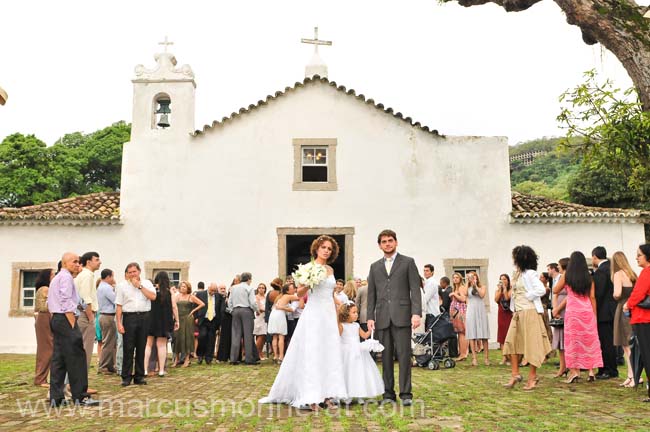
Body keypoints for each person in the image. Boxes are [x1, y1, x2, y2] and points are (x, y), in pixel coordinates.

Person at [260, 235, 347, 410]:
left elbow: (330, 293)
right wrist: (309, 282)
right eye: (323, 247)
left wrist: (342, 305)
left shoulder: (330, 270)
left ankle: (328, 395)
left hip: (328, 315)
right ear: (316, 248)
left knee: (328, 352)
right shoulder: (307, 268)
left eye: (330, 249)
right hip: (314, 315)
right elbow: (299, 294)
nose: (326, 251)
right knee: (313, 352)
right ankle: (312, 396)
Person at [367, 229, 421, 406]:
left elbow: (415, 289)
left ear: (396, 242)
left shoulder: (408, 262)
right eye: (384, 241)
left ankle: (406, 394)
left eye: (390, 240)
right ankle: (388, 394)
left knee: (404, 356)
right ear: (379, 245)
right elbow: (371, 294)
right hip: (382, 316)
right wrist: (370, 316)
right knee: (386, 356)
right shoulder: (374, 267)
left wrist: (416, 313)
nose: (387, 244)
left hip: (403, 316)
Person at [48, 252, 98, 407]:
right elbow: (65, 300)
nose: (78, 264)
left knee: (59, 359)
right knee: (77, 357)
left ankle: (56, 398)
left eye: (78, 262)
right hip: (65, 318)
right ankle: (80, 396)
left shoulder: (58, 278)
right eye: (74, 262)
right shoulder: (66, 277)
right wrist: (71, 322)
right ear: (64, 263)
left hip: (57, 318)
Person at [502, 245, 552, 391]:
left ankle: (532, 377)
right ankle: (515, 374)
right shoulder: (518, 274)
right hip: (518, 312)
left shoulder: (530, 274)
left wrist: (528, 296)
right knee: (511, 343)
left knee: (532, 346)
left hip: (529, 312)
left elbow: (541, 289)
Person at [115, 262, 157, 386]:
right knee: (128, 347)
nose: (133, 274)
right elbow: (119, 305)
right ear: (127, 274)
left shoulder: (147, 284)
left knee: (141, 347)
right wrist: (119, 323)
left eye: (134, 271)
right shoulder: (122, 286)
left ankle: (139, 376)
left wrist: (139, 286)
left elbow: (153, 297)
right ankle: (126, 376)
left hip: (144, 316)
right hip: (129, 317)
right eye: (130, 272)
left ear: (139, 271)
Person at [564, 251, 602, 383]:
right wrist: (594, 315)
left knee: (573, 341)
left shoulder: (567, 277)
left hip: (572, 312)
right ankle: (591, 371)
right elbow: (592, 297)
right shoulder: (589, 278)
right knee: (589, 342)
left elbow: (556, 290)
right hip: (586, 311)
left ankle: (575, 371)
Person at [337, 302, 383, 405]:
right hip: (346, 353)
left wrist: (370, 331)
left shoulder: (356, 325)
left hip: (358, 351)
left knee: (359, 372)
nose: (356, 314)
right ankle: (347, 395)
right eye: (353, 312)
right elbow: (337, 338)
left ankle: (360, 394)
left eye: (356, 312)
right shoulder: (342, 326)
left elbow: (364, 335)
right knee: (348, 372)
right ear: (346, 314)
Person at [625, 243, 650, 402]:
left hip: (644, 318)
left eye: (639, 255)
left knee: (647, 355)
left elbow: (638, 293)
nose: (636, 257)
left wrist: (628, 304)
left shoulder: (647, 272)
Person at [611, 251, 637, 387]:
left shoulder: (617, 274)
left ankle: (634, 376)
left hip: (622, 308)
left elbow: (617, 293)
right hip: (633, 308)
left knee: (626, 345)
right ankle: (631, 375)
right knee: (630, 344)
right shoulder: (632, 273)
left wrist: (615, 297)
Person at [592, 246, 619, 379]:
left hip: (604, 312)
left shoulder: (601, 271)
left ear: (595, 257)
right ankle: (606, 368)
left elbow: (599, 293)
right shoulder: (611, 268)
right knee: (608, 341)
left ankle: (609, 369)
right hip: (611, 310)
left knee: (606, 342)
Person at [145, 272, 178, 377]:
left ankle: (145, 369)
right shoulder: (169, 293)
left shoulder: (152, 292)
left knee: (148, 344)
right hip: (164, 321)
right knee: (162, 345)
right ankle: (161, 370)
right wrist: (177, 320)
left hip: (151, 320)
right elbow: (174, 307)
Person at [74, 252, 101, 372]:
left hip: (82, 314)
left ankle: (78, 382)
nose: (99, 262)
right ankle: (80, 383)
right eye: (97, 259)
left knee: (81, 349)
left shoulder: (84, 275)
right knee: (85, 350)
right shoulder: (87, 275)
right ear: (89, 262)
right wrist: (91, 318)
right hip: (85, 315)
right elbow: (85, 298)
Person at [228, 272, 260, 365]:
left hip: (236, 311)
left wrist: (232, 310)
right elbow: (253, 302)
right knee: (248, 335)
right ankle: (249, 358)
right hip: (246, 311)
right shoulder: (249, 288)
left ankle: (233, 358)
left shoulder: (233, 288)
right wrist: (257, 310)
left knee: (236, 335)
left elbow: (229, 301)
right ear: (249, 279)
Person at [173, 281, 204, 367]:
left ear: (188, 288)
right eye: (182, 286)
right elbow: (173, 306)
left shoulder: (191, 296)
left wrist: (193, 311)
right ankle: (176, 359)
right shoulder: (177, 296)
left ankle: (187, 359)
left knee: (187, 338)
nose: (183, 288)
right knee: (177, 338)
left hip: (188, 319)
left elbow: (202, 304)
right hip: (179, 318)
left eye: (185, 287)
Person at [267, 284, 298, 363]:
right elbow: (298, 297)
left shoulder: (279, 296)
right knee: (281, 336)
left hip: (273, 314)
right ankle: (281, 356)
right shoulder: (288, 296)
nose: (294, 290)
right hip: (280, 314)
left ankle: (275, 355)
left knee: (274, 336)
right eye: (292, 289)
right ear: (287, 291)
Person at [33, 268, 54, 387]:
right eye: (52, 275)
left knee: (45, 348)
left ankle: (41, 377)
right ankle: (40, 379)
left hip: (43, 318)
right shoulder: (46, 289)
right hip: (45, 317)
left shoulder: (42, 289)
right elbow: (48, 305)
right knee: (47, 348)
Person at [465, 271, 490, 366]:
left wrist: (475, 285)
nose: (472, 278)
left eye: (473, 276)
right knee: (472, 334)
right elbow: (464, 294)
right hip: (471, 310)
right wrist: (468, 282)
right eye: (470, 276)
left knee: (484, 334)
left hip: (480, 310)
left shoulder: (482, 286)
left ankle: (486, 358)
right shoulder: (467, 287)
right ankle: (474, 358)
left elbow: (482, 295)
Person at [195, 282, 223, 365]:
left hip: (213, 320)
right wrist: (196, 317)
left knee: (211, 339)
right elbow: (194, 305)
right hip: (203, 319)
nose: (213, 292)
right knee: (202, 336)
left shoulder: (219, 296)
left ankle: (209, 357)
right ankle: (200, 355)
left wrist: (219, 321)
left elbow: (220, 309)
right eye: (211, 290)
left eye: (215, 291)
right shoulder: (200, 294)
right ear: (208, 288)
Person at [551, 257, 570, 378]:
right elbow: (555, 293)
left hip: (566, 308)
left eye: (559, 265)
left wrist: (559, 308)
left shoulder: (568, 278)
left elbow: (570, 295)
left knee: (566, 339)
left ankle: (568, 366)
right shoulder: (558, 278)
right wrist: (554, 308)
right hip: (558, 308)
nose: (557, 267)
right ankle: (562, 367)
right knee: (559, 340)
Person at [97, 269, 117, 374]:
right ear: (108, 277)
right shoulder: (107, 288)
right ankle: (104, 365)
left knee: (111, 342)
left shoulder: (101, 286)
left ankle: (110, 365)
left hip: (104, 315)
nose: (113, 279)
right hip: (108, 316)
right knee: (108, 342)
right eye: (112, 276)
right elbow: (116, 300)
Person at [494, 273, 513, 365]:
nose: (503, 281)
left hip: (508, 313)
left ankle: (509, 357)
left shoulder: (510, 289)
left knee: (508, 334)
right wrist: (500, 289)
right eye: (501, 279)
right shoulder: (498, 290)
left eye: (505, 279)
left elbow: (507, 298)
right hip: (501, 313)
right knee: (501, 335)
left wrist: (505, 289)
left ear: (508, 280)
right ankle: (504, 357)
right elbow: (496, 300)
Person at [450, 273, 469, 361]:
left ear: (460, 279)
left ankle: (463, 353)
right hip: (455, 312)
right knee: (459, 333)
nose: (455, 279)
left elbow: (463, 299)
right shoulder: (456, 288)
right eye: (454, 277)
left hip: (460, 312)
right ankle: (462, 352)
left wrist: (454, 294)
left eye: (457, 277)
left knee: (462, 333)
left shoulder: (461, 287)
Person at [216, 283, 233, 363]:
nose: (223, 290)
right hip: (217, 320)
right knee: (219, 339)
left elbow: (228, 308)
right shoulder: (216, 297)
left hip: (227, 320)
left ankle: (225, 356)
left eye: (224, 288)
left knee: (225, 338)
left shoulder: (228, 297)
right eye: (221, 288)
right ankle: (218, 355)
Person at [423, 264, 441, 331]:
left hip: (432, 313)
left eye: (427, 271)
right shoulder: (428, 282)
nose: (425, 272)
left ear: (432, 272)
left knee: (431, 336)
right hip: (429, 313)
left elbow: (425, 299)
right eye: (424, 271)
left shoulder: (431, 282)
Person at [253, 283, 268, 360]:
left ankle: (260, 353)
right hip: (258, 318)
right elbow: (259, 308)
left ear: (265, 289)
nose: (261, 289)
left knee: (263, 336)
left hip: (264, 318)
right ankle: (256, 354)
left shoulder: (266, 297)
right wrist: (268, 310)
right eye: (260, 287)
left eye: (263, 288)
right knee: (260, 335)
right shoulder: (256, 297)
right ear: (257, 289)